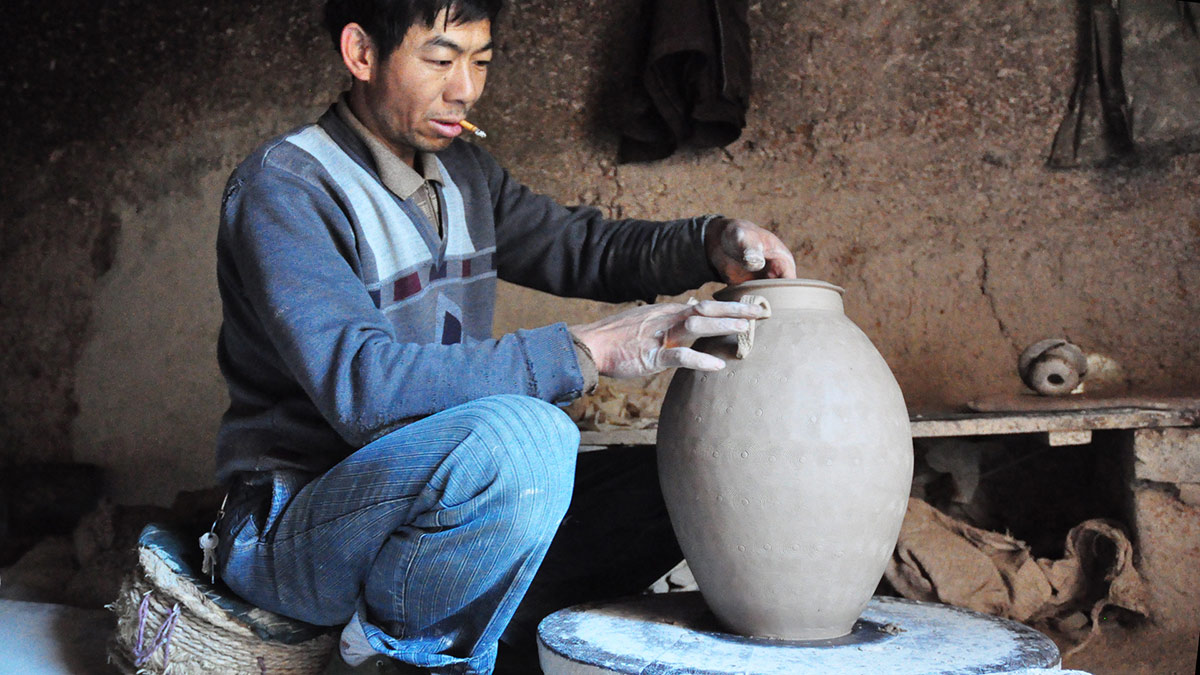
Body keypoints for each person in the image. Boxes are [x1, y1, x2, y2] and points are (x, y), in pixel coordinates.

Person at [211, 0, 797, 673]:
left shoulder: (466, 175)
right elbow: (364, 388)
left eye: (480, 62)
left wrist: (708, 242)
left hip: (431, 503)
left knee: (688, 479)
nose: (464, 88)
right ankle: (391, 657)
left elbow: (583, 247)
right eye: (440, 59)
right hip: (293, 524)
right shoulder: (286, 187)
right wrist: (585, 350)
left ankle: (475, 637)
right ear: (361, 54)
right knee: (526, 439)